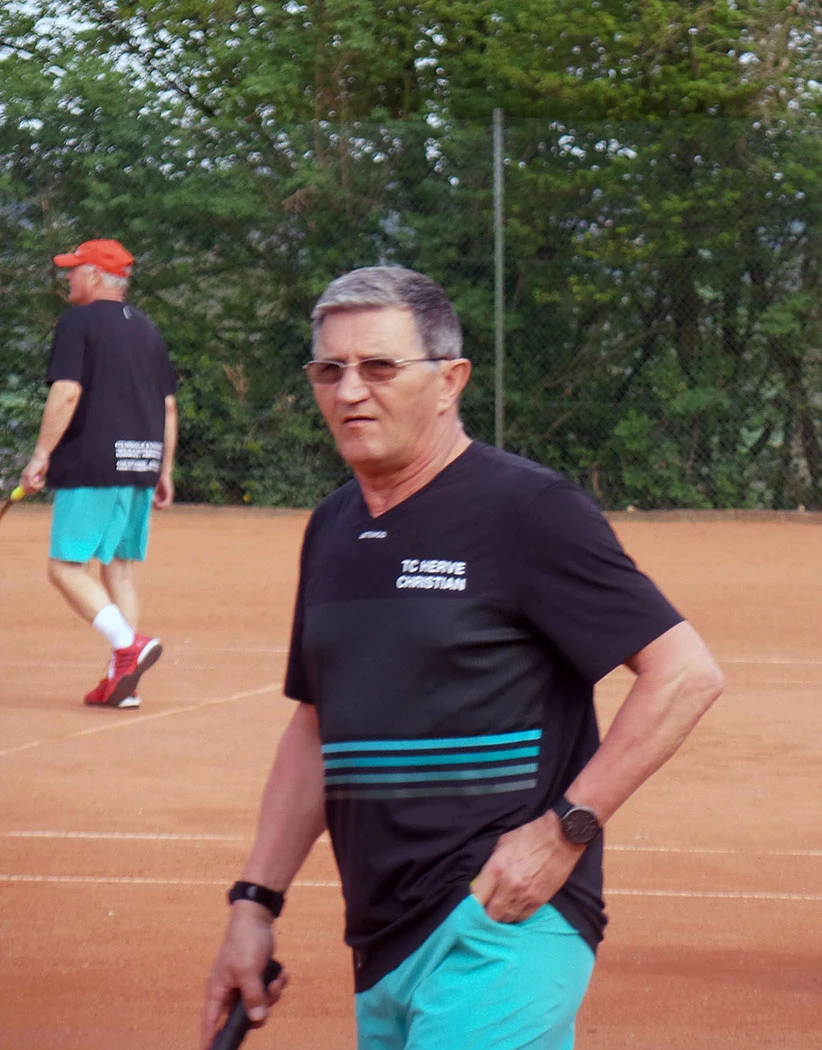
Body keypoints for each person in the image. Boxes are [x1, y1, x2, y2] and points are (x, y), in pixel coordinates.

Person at [201, 266, 723, 1050]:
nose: (350, 391)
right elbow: (315, 729)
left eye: (380, 367)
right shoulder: (333, 529)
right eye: (329, 369)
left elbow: (684, 673)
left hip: (502, 921)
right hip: (381, 940)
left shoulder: (528, 510)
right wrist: (254, 905)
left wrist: (564, 831)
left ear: (450, 381)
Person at [19, 238, 178, 710]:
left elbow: (67, 391)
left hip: (93, 462)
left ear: (93, 275)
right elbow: (168, 407)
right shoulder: (148, 329)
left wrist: (40, 455)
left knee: (65, 568)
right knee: (119, 570)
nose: (68, 277)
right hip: (142, 461)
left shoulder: (78, 323)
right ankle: (122, 681)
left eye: (73, 269)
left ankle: (127, 646)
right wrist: (164, 469)